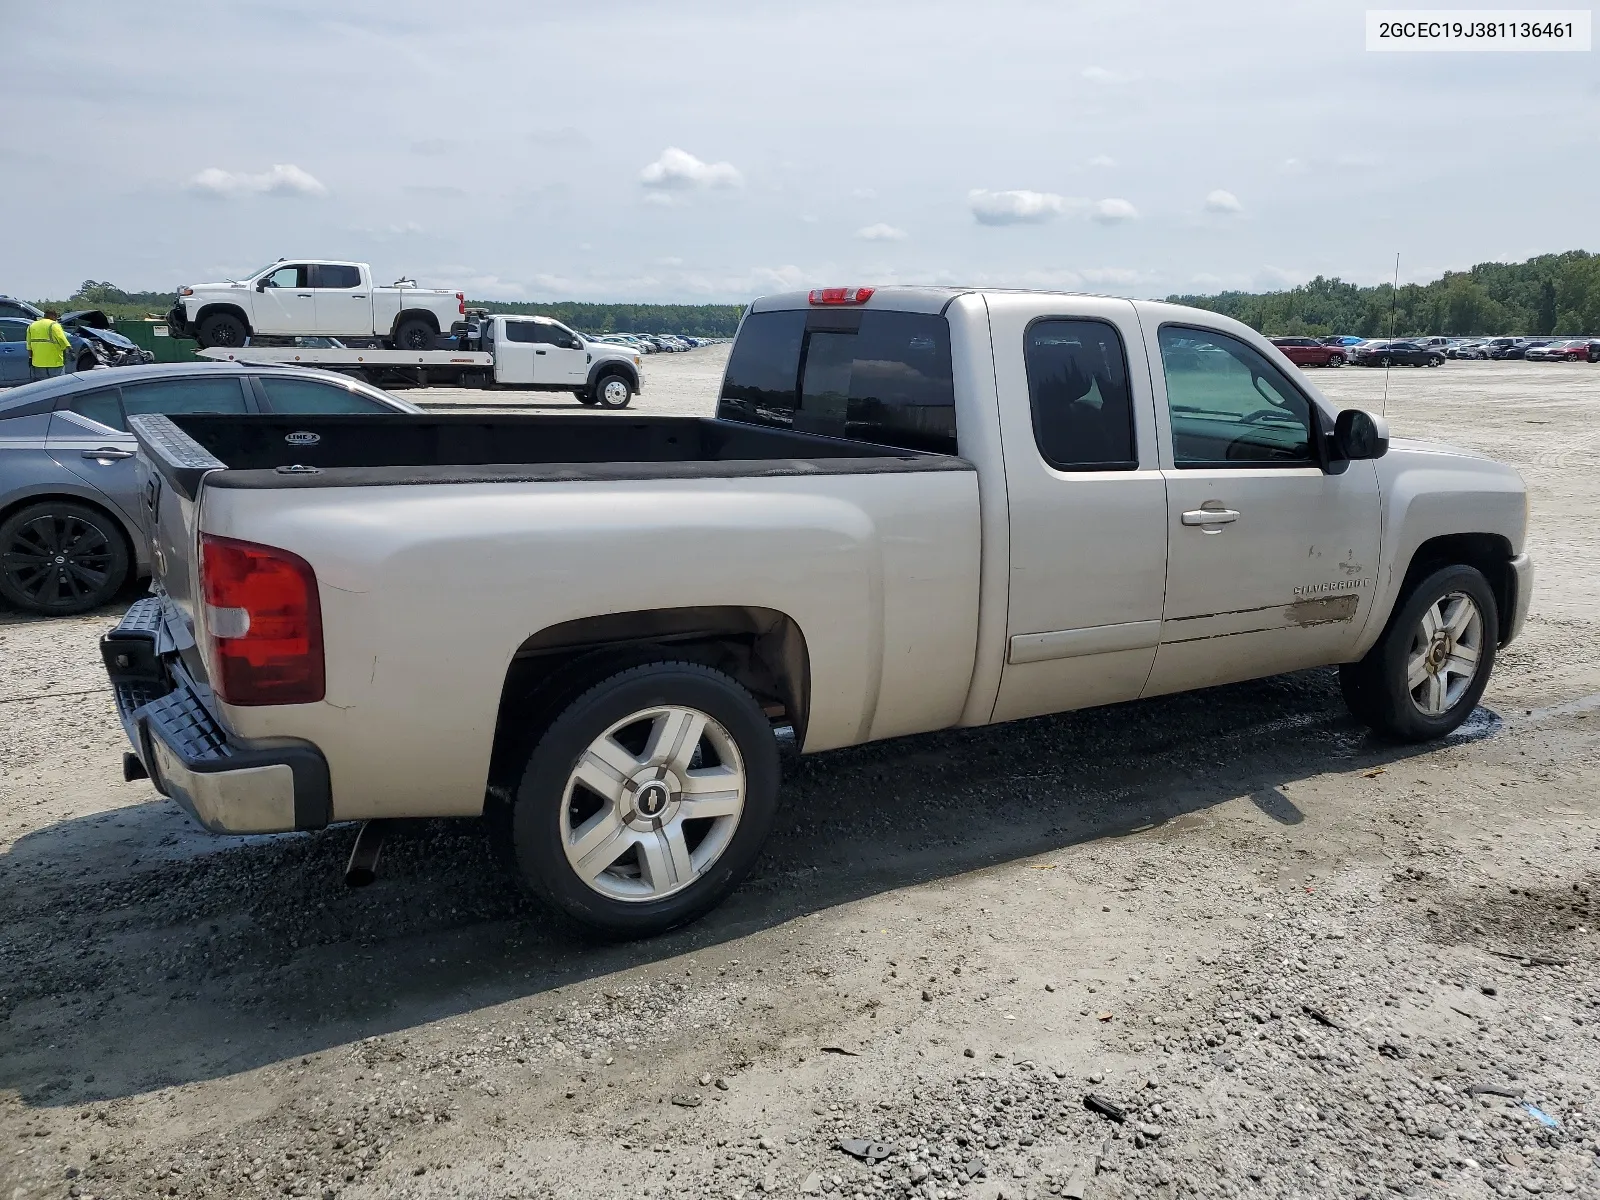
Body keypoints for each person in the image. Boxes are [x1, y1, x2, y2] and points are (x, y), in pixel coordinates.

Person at [26, 309, 73, 381]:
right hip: (55, 362)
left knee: (42, 385)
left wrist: (30, 358)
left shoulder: (31, 326)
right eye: (56, 317)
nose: (56, 319)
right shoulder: (54, 325)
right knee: (58, 384)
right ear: (53, 316)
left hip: (38, 363)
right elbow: (62, 339)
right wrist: (70, 350)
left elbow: (29, 345)